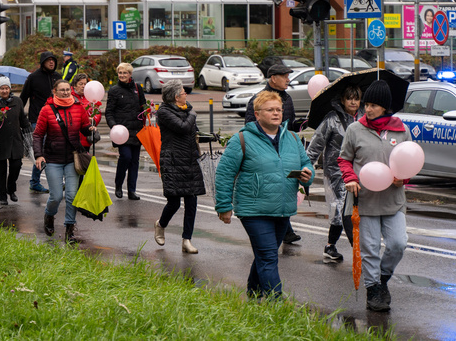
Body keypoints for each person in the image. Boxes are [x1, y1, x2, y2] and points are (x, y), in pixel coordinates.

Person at [215, 91, 313, 300]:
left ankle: (253, 295)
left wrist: (307, 175)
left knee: (263, 255)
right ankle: (276, 302)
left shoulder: (293, 138)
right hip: (254, 209)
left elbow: (306, 164)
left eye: (279, 109)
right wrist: (224, 206)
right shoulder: (242, 139)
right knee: (269, 256)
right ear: (257, 114)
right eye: (270, 110)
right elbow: (224, 173)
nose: (276, 113)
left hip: (283, 208)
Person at [338, 80, 410, 312]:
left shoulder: (402, 130)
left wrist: (404, 179)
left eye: (373, 105)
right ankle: (374, 290)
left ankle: (382, 277)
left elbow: (408, 161)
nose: (367, 109)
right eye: (366, 104)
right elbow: (344, 159)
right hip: (364, 199)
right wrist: (349, 178)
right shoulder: (354, 129)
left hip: (393, 200)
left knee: (398, 244)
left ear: (386, 107)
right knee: (369, 248)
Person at [244, 63, 302, 245]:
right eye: (285, 76)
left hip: (285, 151)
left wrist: (301, 124)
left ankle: (285, 229)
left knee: (284, 186)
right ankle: (278, 231)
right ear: (273, 78)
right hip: (266, 153)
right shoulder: (259, 99)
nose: (288, 79)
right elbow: (249, 127)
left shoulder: (288, 99)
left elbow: (290, 125)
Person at [34, 79, 95, 244]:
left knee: (71, 195)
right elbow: (38, 134)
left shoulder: (78, 107)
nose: (66, 92)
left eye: (68, 90)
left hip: (72, 158)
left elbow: (83, 126)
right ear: (55, 91)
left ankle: (69, 228)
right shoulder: (47, 110)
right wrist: (39, 155)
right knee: (56, 196)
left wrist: (89, 128)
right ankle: (49, 214)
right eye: (62, 90)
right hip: (53, 159)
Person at [306, 84, 362, 263]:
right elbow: (316, 144)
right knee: (342, 206)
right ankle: (351, 248)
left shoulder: (364, 117)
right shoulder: (332, 119)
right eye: (349, 98)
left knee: (355, 208)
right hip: (336, 170)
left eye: (356, 98)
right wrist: (307, 165)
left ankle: (332, 245)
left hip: (359, 170)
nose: (353, 102)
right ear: (343, 100)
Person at [154, 80, 205, 254]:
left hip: (190, 160)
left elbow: (192, 130)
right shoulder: (164, 112)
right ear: (176, 97)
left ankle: (187, 240)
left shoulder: (187, 109)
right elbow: (182, 127)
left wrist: (208, 137)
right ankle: (161, 224)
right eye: (184, 92)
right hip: (173, 161)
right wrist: (192, 115)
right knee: (174, 202)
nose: (186, 94)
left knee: (192, 202)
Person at [0, 76, 30, 205]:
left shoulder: (18, 101)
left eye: (6, 88)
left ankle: (11, 188)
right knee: (0, 171)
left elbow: (23, 120)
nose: (4, 91)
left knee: (16, 166)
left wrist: (30, 132)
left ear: (10, 89)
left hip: (15, 140)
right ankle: (2, 197)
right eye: (2, 88)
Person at [20, 51, 61, 194]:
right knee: (40, 151)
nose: (51, 63)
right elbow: (23, 98)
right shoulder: (33, 78)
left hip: (56, 119)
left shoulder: (57, 77)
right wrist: (21, 118)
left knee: (54, 151)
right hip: (37, 120)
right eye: (48, 60)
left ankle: (54, 181)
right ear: (42, 62)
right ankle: (35, 182)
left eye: (53, 60)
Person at [106, 62, 147, 200]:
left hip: (137, 130)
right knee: (126, 157)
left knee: (135, 161)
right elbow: (109, 112)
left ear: (130, 74)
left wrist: (148, 111)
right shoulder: (114, 90)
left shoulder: (137, 88)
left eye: (125, 73)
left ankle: (131, 190)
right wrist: (114, 126)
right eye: (120, 73)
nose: (122, 75)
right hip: (121, 132)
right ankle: (118, 184)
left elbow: (143, 106)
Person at [70, 73, 101, 151]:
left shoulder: (91, 97)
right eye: (80, 84)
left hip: (86, 138)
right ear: (74, 85)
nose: (83, 86)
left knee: (84, 160)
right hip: (72, 138)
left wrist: (93, 120)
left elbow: (97, 113)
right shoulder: (69, 97)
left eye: (85, 84)